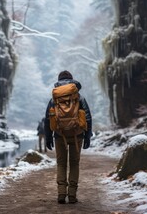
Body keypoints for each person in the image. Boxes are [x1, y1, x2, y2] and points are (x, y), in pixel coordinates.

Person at [44, 70, 92, 204]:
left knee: (61, 164)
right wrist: (88, 136)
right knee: (74, 164)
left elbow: (47, 119)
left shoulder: (55, 98)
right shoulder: (79, 96)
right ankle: (72, 195)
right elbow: (87, 117)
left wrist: (48, 137)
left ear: (59, 81)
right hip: (77, 135)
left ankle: (61, 194)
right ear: (72, 80)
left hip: (59, 135)